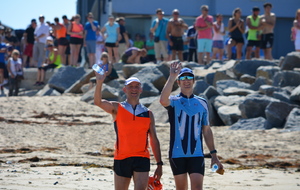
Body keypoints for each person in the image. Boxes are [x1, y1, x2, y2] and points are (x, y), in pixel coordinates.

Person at [160, 62, 223, 190]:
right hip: (177, 154)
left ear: (194, 81)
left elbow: (206, 130)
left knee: (197, 187)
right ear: (179, 82)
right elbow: (162, 100)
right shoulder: (174, 101)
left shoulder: (202, 102)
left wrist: (214, 155)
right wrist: (171, 77)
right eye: (183, 78)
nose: (186, 81)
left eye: (189, 78)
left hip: (197, 154)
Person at [94, 74, 163, 190]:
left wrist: (159, 164)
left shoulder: (148, 113)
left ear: (141, 90)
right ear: (124, 89)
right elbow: (98, 102)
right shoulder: (117, 108)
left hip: (142, 157)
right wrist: (99, 82)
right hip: (122, 157)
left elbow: (154, 139)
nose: (134, 89)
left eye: (137, 86)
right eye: (130, 86)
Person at [33, 15, 50, 86]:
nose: (41, 19)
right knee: (36, 57)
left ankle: (41, 78)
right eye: (40, 18)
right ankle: (38, 68)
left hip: (42, 42)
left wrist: (38, 37)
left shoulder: (46, 25)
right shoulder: (38, 26)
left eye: (42, 18)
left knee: (42, 57)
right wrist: (36, 38)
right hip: (36, 42)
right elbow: (35, 33)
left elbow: (45, 33)